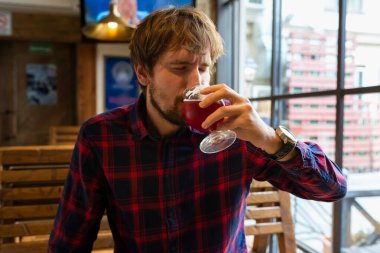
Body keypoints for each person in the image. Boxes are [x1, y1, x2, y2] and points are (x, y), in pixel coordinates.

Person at [48, 7, 347, 253]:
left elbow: (333, 189)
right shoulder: (101, 137)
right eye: (180, 68)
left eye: (204, 68)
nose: (196, 83)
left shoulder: (236, 131)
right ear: (142, 73)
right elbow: (69, 242)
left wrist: (267, 137)